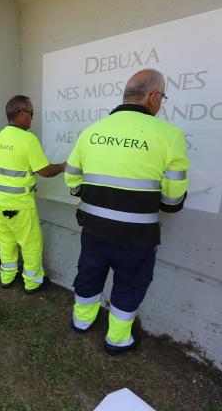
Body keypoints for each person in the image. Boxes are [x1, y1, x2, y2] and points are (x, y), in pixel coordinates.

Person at [65, 69, 189, 354]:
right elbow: (172, 199)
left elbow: (72, 178)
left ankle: (82, 322)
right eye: (162, 97)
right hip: (137, 235)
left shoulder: (92, 131)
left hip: (94, 228)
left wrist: (87, 195)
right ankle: (118, 339)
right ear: (153, 96)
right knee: (130, 283)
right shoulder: (170, 136)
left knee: (89, 273)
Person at [0, 95, 66, 295]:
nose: (33, 118)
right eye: (32, 113)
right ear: (21, 113)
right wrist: (65, 165)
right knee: (31, 242)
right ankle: (32, 283)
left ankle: (7, 277)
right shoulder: (27, 139)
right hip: (19, 204)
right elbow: (45, 171)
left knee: (6, 240)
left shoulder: (1, 136)